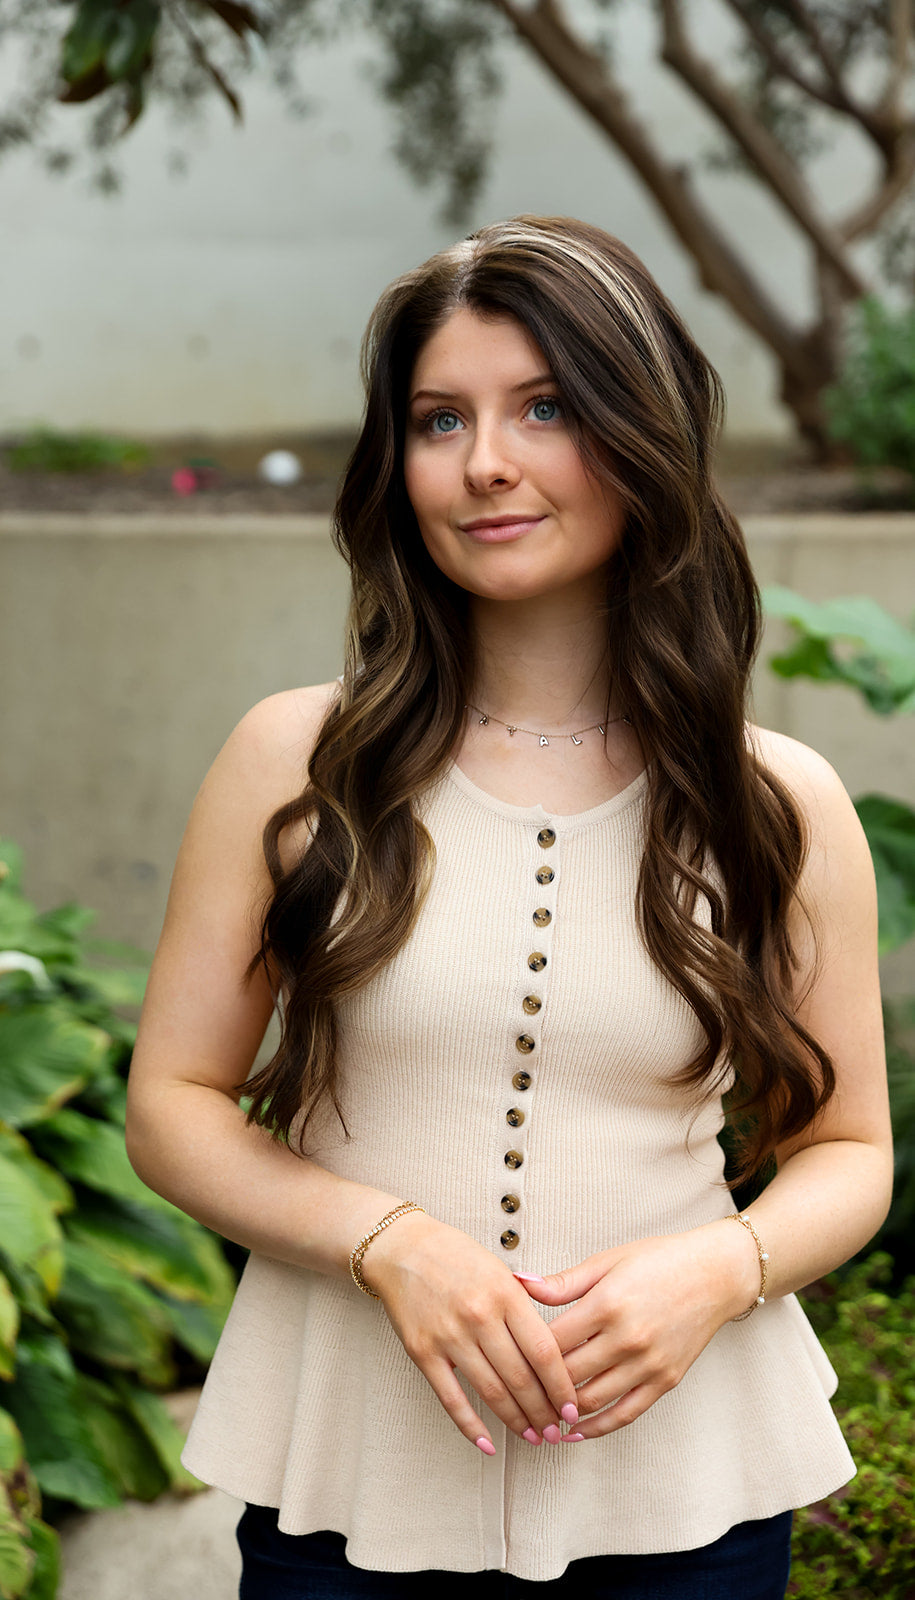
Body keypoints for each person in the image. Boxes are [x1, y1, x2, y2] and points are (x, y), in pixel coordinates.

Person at [125, 215, 893, 1598]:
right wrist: (391, 1245)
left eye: (544, 408)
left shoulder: (776, 802)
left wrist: (721, 1270)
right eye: (440, 419)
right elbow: (173, 1103)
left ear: (642, 433)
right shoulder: (293, 763)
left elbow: (848, 1151)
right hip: (348, 1488)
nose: (485, 462)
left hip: (687, 1500)